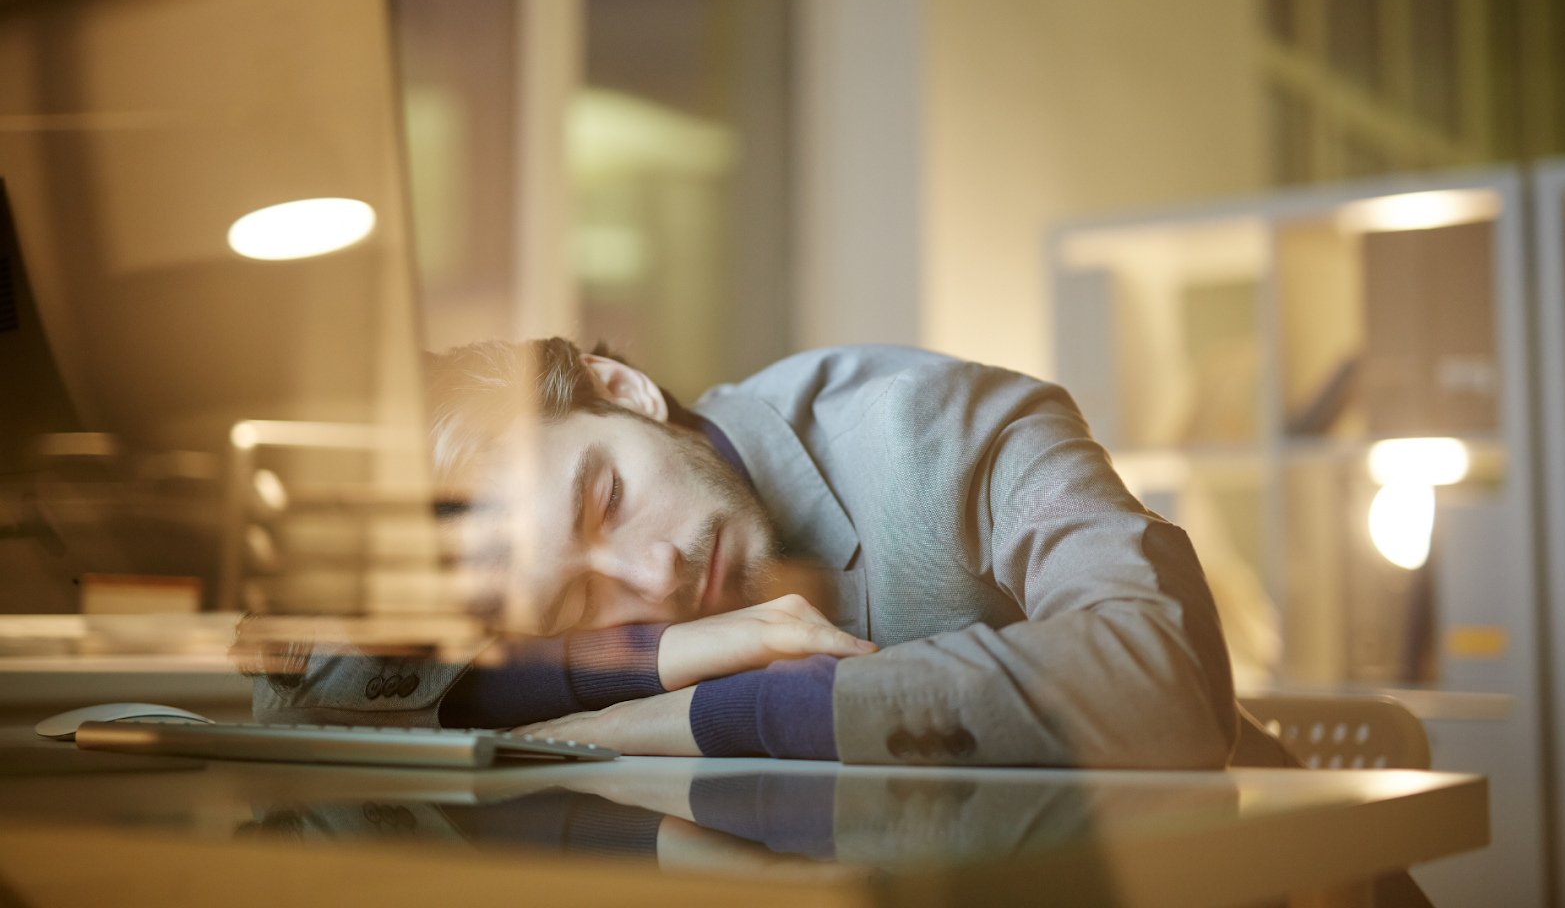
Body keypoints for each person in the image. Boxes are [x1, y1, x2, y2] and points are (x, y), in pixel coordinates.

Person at [253, 338, 1273, 768]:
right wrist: (644, 660)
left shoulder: (946, 425)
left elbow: (1165, 673)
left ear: (622, 387)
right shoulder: (632, 630)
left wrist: (707, 708)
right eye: (573, 604)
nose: (645, 579)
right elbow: (292, 711)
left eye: (605, 499)